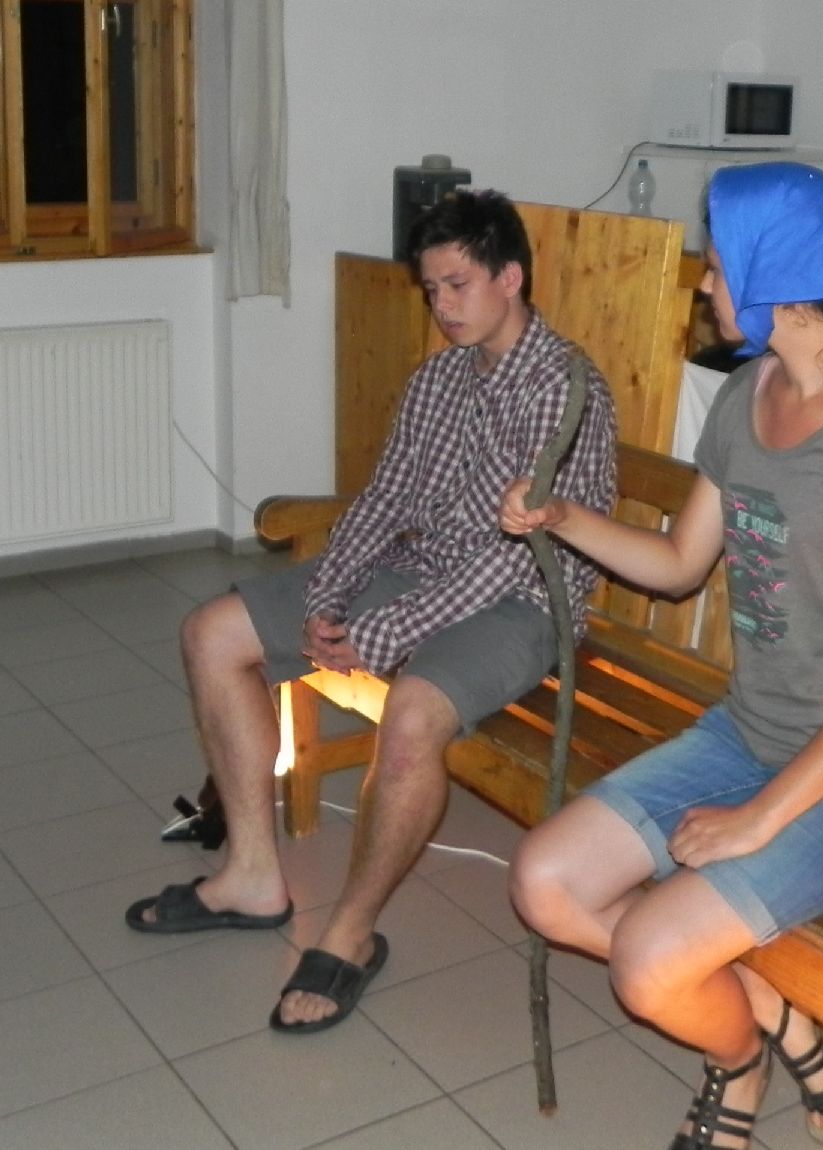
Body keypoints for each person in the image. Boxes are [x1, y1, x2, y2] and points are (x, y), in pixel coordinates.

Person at [499, 163, 823, 1149]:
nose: (705, 283)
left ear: (785, 280)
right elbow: (681, 564)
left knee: (648, 959)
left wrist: (758, 818)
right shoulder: (745, 394)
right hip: (749, 736)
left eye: (718, 267)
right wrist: (563, 519)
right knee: (545, 881)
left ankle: (732, 1071)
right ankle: (765, 1025)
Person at [124, 189, 618, 1035]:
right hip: (420, 571)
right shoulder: (439, 378)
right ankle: (252, 876)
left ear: (510, 276)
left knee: (414, 713)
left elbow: (515, 557)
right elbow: (384, 499)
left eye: (457, 285)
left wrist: (383, 632)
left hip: (523, 601)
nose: (442, 306)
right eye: (431, 289)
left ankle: (350, 933)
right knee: (211, 633)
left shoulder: (564, 389)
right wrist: (330, 594)